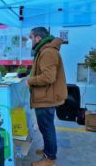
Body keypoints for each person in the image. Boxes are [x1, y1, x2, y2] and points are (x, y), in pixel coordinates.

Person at [27, 27, 67, 166]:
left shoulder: (48, 52)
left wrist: (30, 80)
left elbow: (48, 77)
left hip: (46, 98)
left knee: (47, 127)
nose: (29, 40)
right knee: (45, 127)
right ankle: (48, 150)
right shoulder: (45, 50)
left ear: (38, 38)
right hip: (45, 96)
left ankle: (49, 159)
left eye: (31, 37)